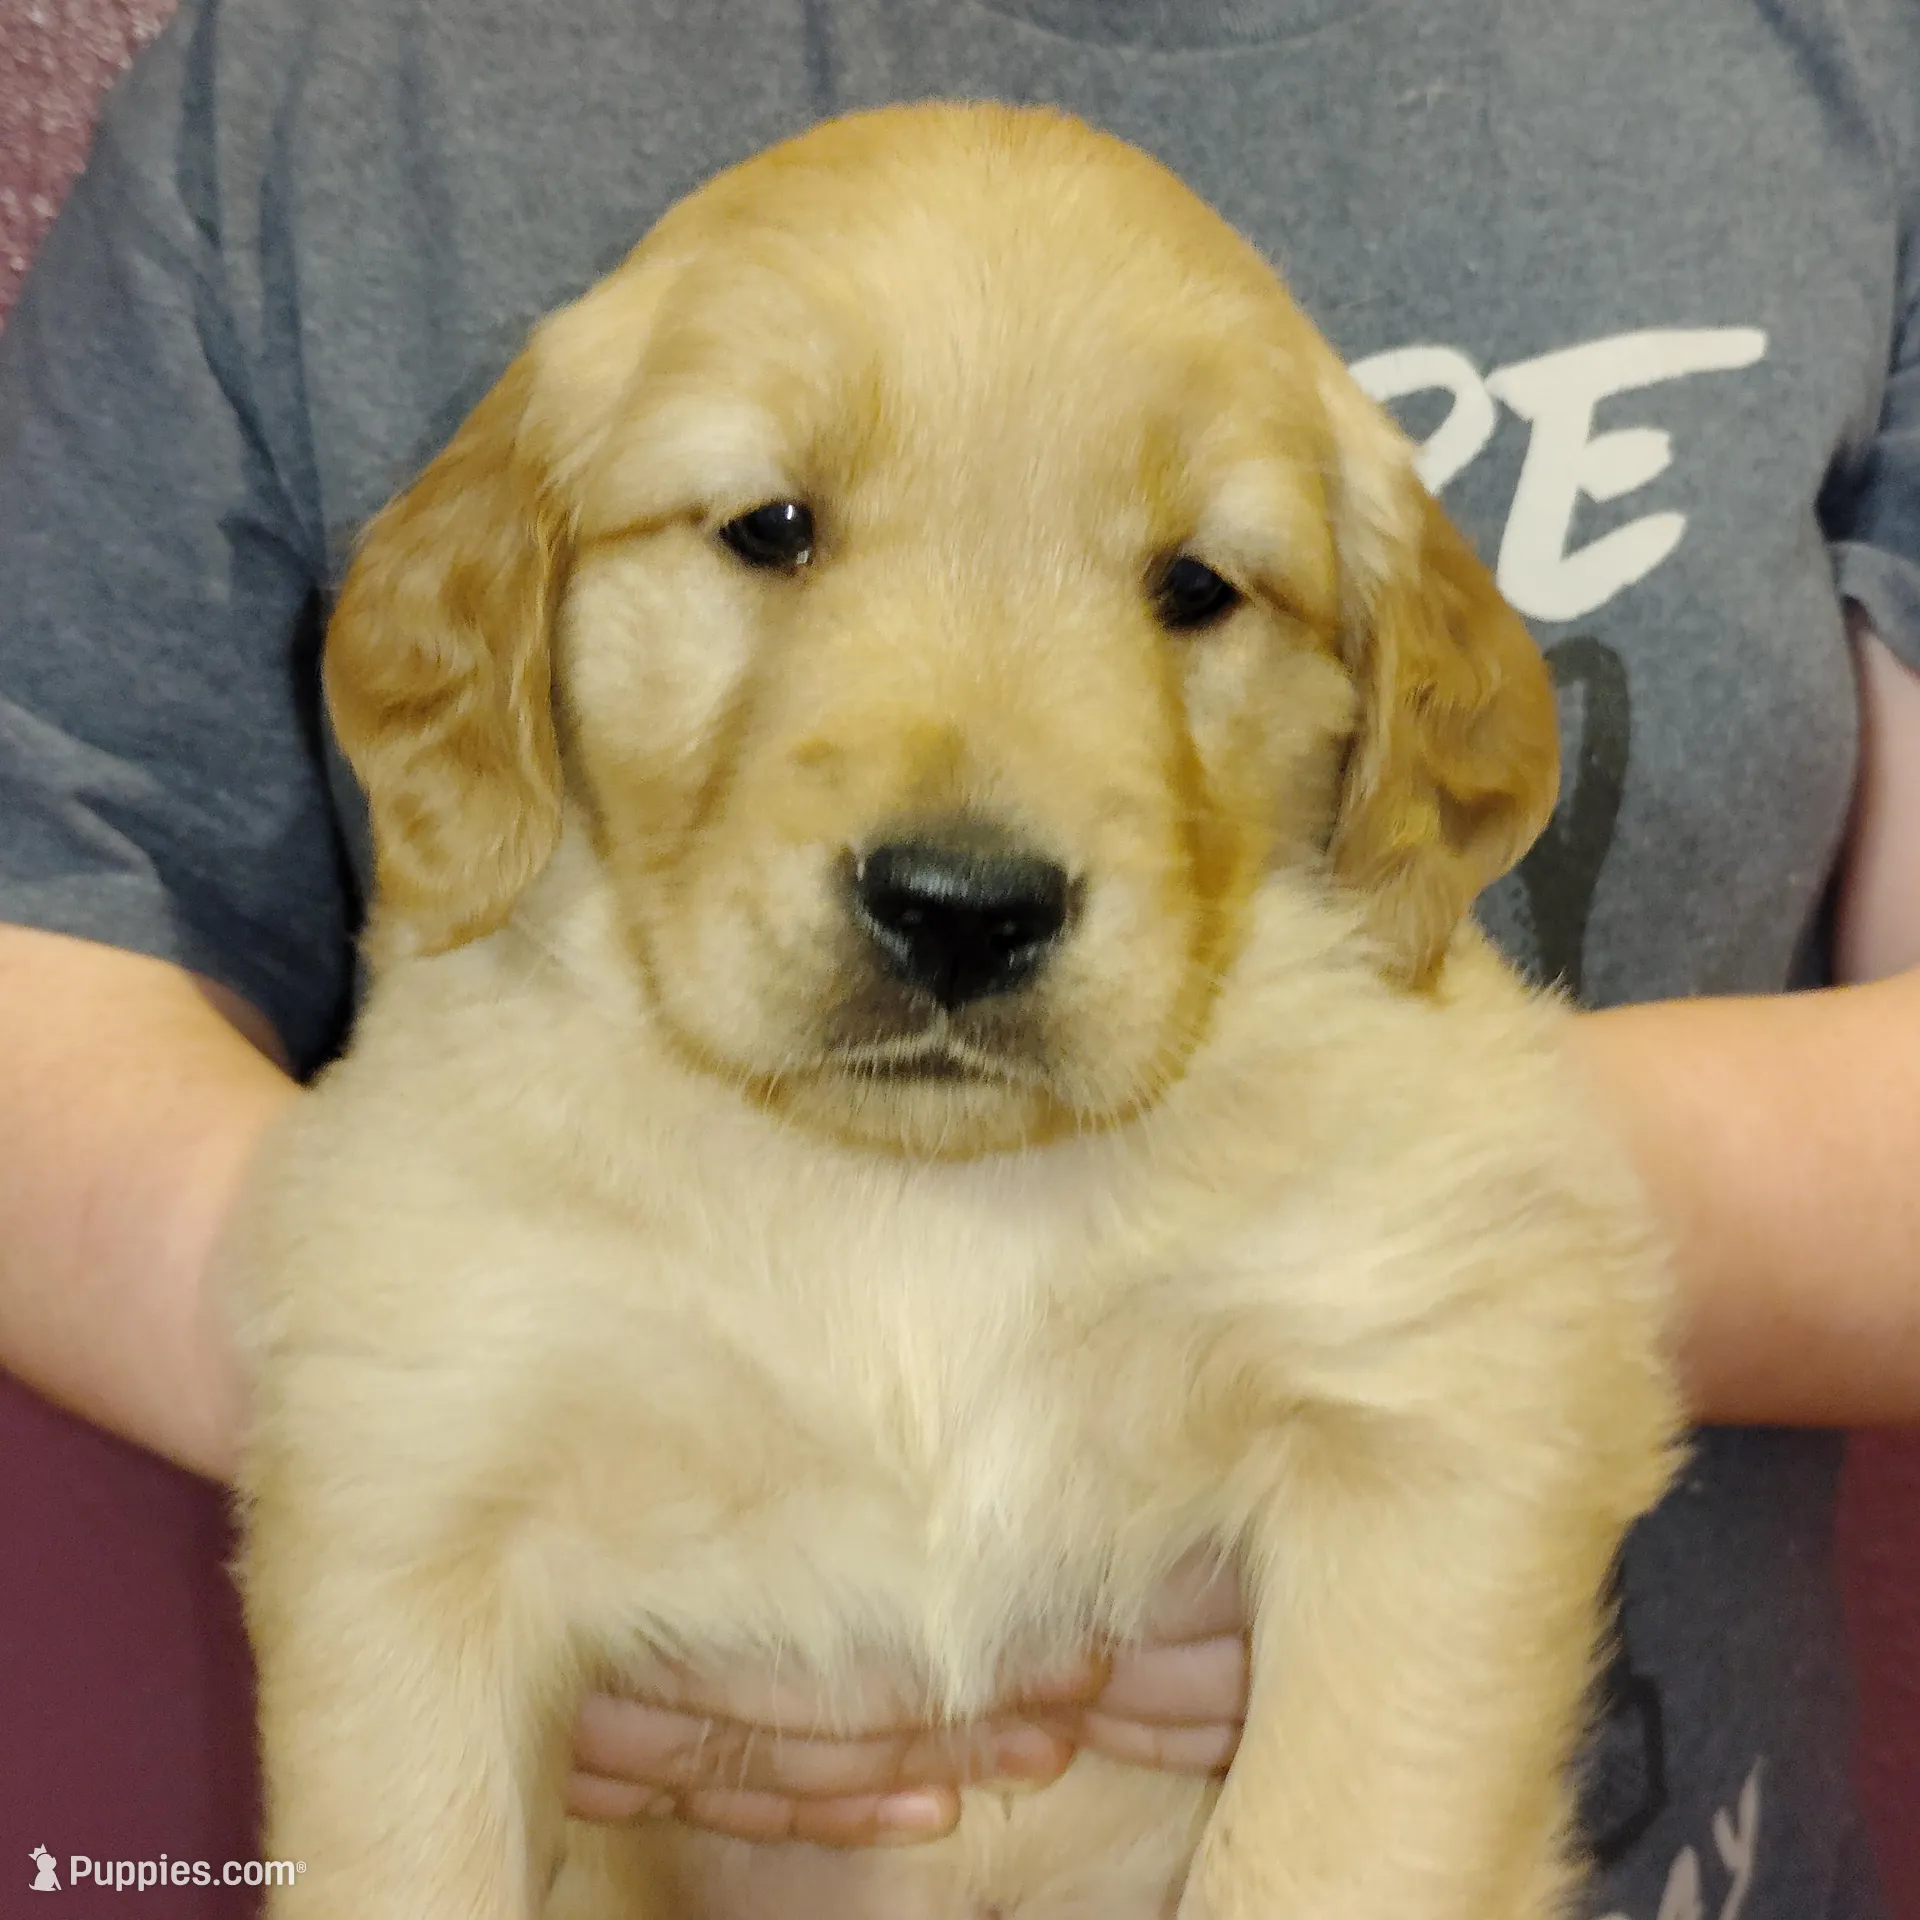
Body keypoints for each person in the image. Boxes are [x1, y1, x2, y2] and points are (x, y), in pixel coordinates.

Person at [1, 0, 1917, 1913]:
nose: (967, 832)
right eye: (765, 527)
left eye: (1195, 588)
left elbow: (1477, 1347)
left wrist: (1382, 1355)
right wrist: (476, 1462)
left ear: (1384, 695)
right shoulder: (324, 93)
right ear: (502, 595)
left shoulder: (1839, 60)